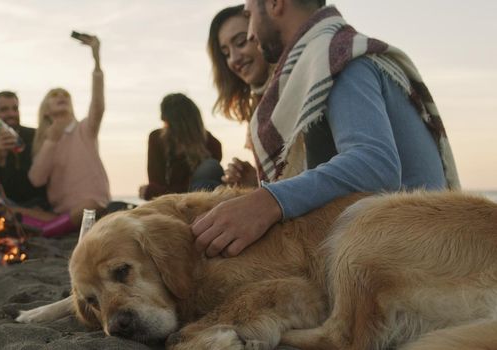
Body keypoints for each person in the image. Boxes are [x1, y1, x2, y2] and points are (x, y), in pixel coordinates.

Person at [192, 0, 461, 258]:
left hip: (416, 254)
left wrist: (266, 202)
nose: (251, 35)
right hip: (411, 243)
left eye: (249, 17)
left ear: (275, 3)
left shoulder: (338, 56)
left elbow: (375, 165)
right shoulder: (326, 58)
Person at [24, 33, 109, 238]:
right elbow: (36, 179)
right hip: (63, 212)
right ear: (45, 110)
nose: (61, 96)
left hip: (93, 206)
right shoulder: (44, 140)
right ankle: (53, 225)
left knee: (89, 206)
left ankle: (47, 230)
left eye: (65, 95)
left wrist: (96, 58)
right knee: (13, 210)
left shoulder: (85, 129)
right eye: (54, 95)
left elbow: (98, 104)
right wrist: (51, 141)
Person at [207, 4, 273, 187]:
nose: (234, 59)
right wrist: (253, 180)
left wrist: (259, 183)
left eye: (241, 42)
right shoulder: (259, 105)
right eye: (226, 53)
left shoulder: (293, 85)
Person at [0, 91, 49, 210]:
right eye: (4, 110)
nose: (11, 114)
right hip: (2, 208)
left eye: (15, 108)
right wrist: (0, 158)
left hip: (38, 203)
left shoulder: (35, 136)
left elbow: (38, 179)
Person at [139, 93, 223, 200]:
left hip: (198, 203)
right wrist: (155, 191)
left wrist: (154, 191)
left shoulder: (211, 144)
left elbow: (154, 191)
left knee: (210, 166)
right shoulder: (157, 138)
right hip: (170, 205)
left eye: (167, 121)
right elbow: (155, 184)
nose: (163, 123)